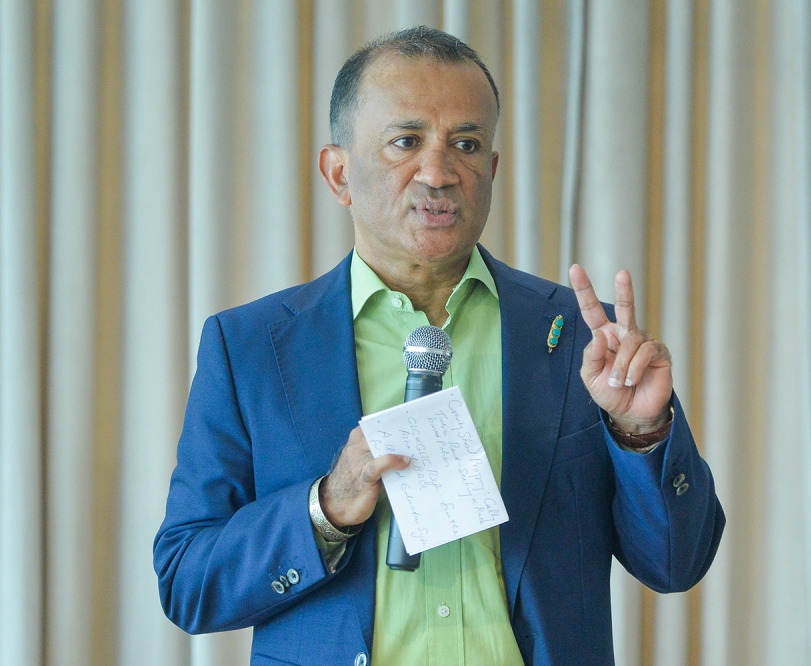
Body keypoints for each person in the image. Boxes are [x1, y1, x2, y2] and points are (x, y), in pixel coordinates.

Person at [154, 26, 724, 666]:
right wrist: (326, 509)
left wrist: (641, 433)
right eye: (405, 141)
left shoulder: (576, 338)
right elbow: (187, 582)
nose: (439, 171)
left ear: (493, 169)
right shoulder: (252, 347)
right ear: (339, 172)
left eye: (467, 143)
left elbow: (678, 564)